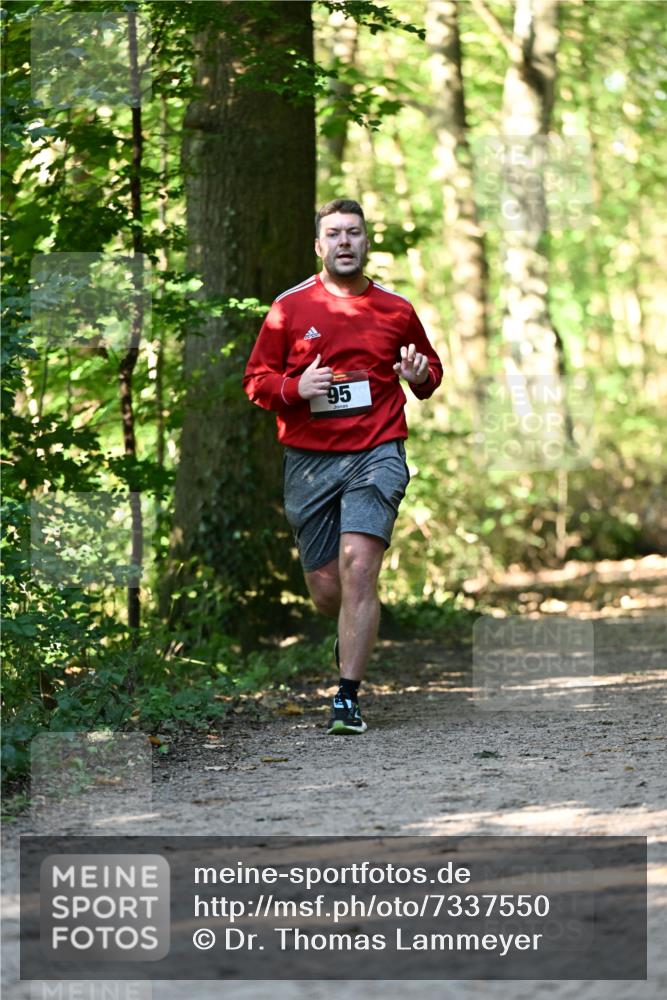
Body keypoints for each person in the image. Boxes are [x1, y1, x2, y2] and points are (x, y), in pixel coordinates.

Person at [243, 198, 442, 734]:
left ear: (365, 242)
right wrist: (295, 387)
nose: (345, 242)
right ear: (319, 245)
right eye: (334, 234)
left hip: (378, 452)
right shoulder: (289, 309)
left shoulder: (395, 309)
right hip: (309, 462)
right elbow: (256, 382)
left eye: (353, 233)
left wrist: (417, 373)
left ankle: (347, 697)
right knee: (328, 591)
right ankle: (349, 631)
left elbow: (428, 376)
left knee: (359, 568)